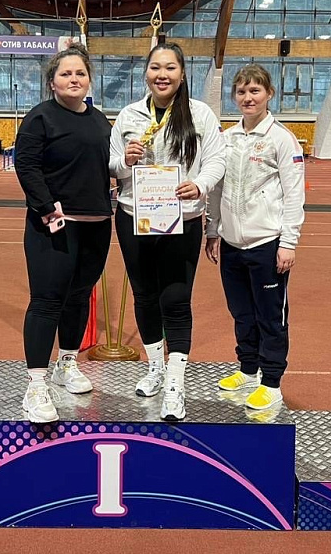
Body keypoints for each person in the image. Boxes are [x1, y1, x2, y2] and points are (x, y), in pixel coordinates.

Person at [110, 42, 226, 422]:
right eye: (156, 67)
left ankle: (176, 383)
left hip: (182, 219)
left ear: (182, 73)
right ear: (146, 72)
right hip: (134, 217)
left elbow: (217, 160)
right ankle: (155, 368)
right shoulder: (128, 115)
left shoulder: (200, 114)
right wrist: (124, 162)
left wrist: (201, 185)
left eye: (170, 67)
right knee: (144, 296)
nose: (162, 74)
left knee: (175, 300)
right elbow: (111, 165)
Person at [16, 44, 113, 423]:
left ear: (89, 80)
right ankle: (36, 385)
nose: (74, 79)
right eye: (66, 74)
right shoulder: (40, 118)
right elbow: (27, 166)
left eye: (80, 73)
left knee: (79, 297)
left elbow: (105, 166)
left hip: (96, 224)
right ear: (52, 82)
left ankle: (67, 363)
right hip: (53, 225)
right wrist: (46, 209)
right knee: (46, 301)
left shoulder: (100, 120)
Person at [204, 64, 305, 412]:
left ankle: (271, 382)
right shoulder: (227, 139)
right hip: (231, 245)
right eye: (242, 92)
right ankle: (248, 370)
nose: (248, 98)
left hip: (267, 245)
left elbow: (294, 194)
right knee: (241, 313)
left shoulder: (282, 139)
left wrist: (288, 242)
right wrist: (212, 230)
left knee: (270, 317)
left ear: (269, 94)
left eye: (255, 91)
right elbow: (216, 189)